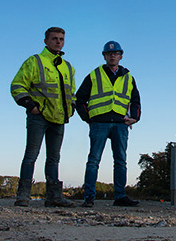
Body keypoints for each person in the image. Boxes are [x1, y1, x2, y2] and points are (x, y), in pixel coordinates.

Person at [10, 27, 76, 207]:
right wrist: (31, 106)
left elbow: (72, 93)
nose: (58, 42)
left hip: (59, 119)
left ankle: (53, 197)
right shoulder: (35, 61)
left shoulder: (68, 67)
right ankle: (23, 195)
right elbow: (17, 85)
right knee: (31, 155)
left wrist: (72, 108)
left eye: (61, 39)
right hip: (38, 117)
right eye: (54, 38)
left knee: (54, 158)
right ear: (46, 41)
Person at [76, 40, 141, 207]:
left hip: (120, 123)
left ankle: (120, 197)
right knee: (93, 160)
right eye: (109, 53)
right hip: (99, 123)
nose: (112, 55)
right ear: (104, 56)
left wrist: (135, 117)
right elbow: (80, 99)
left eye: (116, 53)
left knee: (120, 161)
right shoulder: (94, 75)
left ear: (120, 56)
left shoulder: (128, 77)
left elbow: (136, 101)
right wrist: (88, 118)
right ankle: (89, 197)